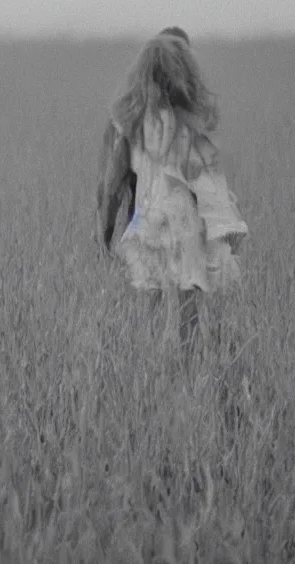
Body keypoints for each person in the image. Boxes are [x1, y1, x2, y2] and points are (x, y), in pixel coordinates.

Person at [97, 27, 248, 354]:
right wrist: (220, 229)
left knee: (150, 304)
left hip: (147, 224)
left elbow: (112, 183)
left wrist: (105, 231)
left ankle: (150, 375)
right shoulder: (191, 124)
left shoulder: (130, 124)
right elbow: (208, 185)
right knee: (187, 307)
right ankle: (184, 370)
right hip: (183, 226)